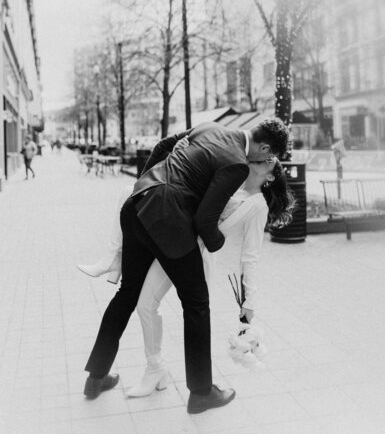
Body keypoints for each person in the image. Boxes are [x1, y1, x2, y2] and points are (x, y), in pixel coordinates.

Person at [82, 118, 290, 413]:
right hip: (167, 220)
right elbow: (205, 219)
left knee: (127, 293)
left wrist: (146, 183)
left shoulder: (210, 127)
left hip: (137, 203)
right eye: (269, 157)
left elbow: (162, 146)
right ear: (265, 147)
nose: (267, 161)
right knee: (196, 302)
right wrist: (216, 244)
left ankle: (96, 378)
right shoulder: (237, 164)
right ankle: (202, 392)